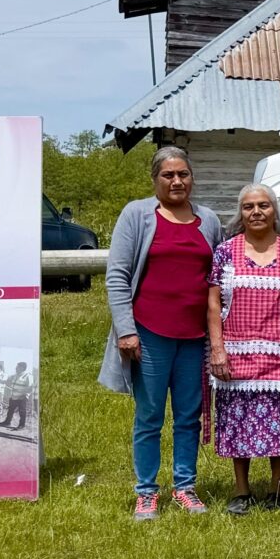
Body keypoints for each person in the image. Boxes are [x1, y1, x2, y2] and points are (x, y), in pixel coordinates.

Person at [100, 145, 223, 521]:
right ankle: (146, 493)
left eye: (182, 174)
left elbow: (218, 278)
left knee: (190, 415)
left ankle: (185, 487)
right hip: (148, 333)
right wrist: (126, 330)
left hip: (193, 336)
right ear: (155, 179)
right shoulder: (137, 215)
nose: (176, 181)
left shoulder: (209, 219)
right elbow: (117, 276)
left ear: (192, 177)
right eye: (168, 175)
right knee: (150, 415)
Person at [207, 184, 280, 515]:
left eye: (263, 206)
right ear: (240, 214)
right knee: (237, 420)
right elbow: (213, 302)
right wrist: (217, 349)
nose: (256, 212)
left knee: (277, 422)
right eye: (248, 207)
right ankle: (242, 491)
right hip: (236, 353)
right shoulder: (225, 252)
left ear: (275, 211)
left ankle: (276, 488)